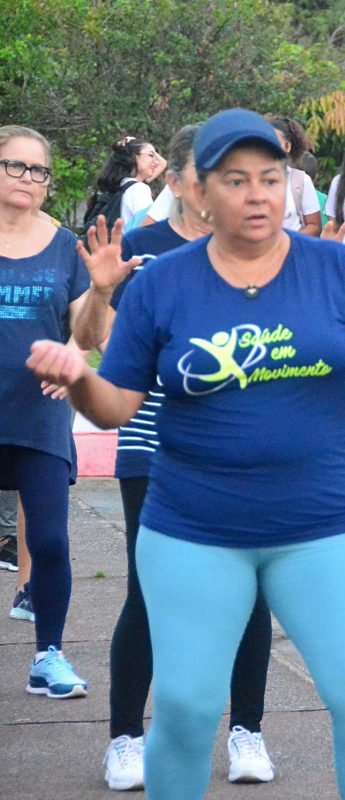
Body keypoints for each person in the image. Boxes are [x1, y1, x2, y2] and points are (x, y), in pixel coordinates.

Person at [25, 108, 345, 799]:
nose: (257, 194)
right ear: (199, 191)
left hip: (322, 527)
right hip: (195, 527)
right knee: (185, 708)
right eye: (237, 180)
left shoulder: (335, 269)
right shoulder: (162, 283)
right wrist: (79, 378)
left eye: (271, 179)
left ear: (289, 187)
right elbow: (118, 405)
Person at [100, 124, 276, 792]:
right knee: (150, 592)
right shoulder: (140, 248)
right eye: (208, 173)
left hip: (243, 453)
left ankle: (248, 731)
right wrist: (96, 292)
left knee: (251, 592)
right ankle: (125, 738)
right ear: (177, 180)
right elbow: (96, 342)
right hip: (155, 447)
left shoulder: (259, 251)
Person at [1, 124, 133, 699]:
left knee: (50, 541)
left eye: (39, 171)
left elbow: (89, 335)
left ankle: (48, 656)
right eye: (15, 166)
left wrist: (101, 292)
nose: (28, 178)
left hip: (36, 416)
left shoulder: (63, 247)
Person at [85, 136, 165, 228]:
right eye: (151, 156)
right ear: (134, 156)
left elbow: (163, 163)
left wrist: (130, 145)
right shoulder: (139, 189)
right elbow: (146, 229)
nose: (156, 162)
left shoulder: (119, 185)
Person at [268, 119, 320, 236]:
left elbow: (314, 225)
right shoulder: (250, 180)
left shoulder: (300, 181)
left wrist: (286, 243)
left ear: (287, 146)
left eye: (276, 141)